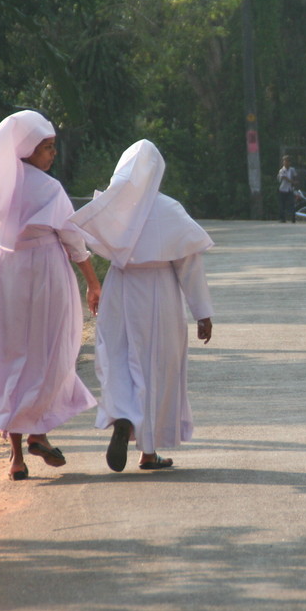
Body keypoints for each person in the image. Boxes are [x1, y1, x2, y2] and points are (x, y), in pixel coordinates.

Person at [0, 110, 101, 481]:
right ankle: (37, 431)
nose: (52, 154)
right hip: (44, 273)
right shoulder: (50, 189)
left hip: (2, 273)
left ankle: (17, 457)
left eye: (53, 147)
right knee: (48, 352)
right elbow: (73, 239)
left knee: (7, 355)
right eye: (46, 148)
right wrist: (93, 281)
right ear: (27, 150)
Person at [70, 139, 214, 473]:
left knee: (118, 357)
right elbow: (189, 266)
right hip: (159, 291)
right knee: (156, 366)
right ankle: (148, 451)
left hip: (120, 289)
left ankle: (123, 415)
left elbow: (85, 238)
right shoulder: (169, 210)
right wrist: (202, 312)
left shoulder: (113, 209)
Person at [277, 155, 298, 223]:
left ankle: (293, 218)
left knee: (292, 204)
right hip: (283, 189)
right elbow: (285, 178)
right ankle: (282, 218)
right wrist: (292, 181)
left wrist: (295, 182)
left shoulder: (292, 169)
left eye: (287, 161)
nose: (286, 163)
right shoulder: (282, 170)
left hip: (290, 189)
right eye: (285, 161)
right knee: (282, 205)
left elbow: (295, 176)